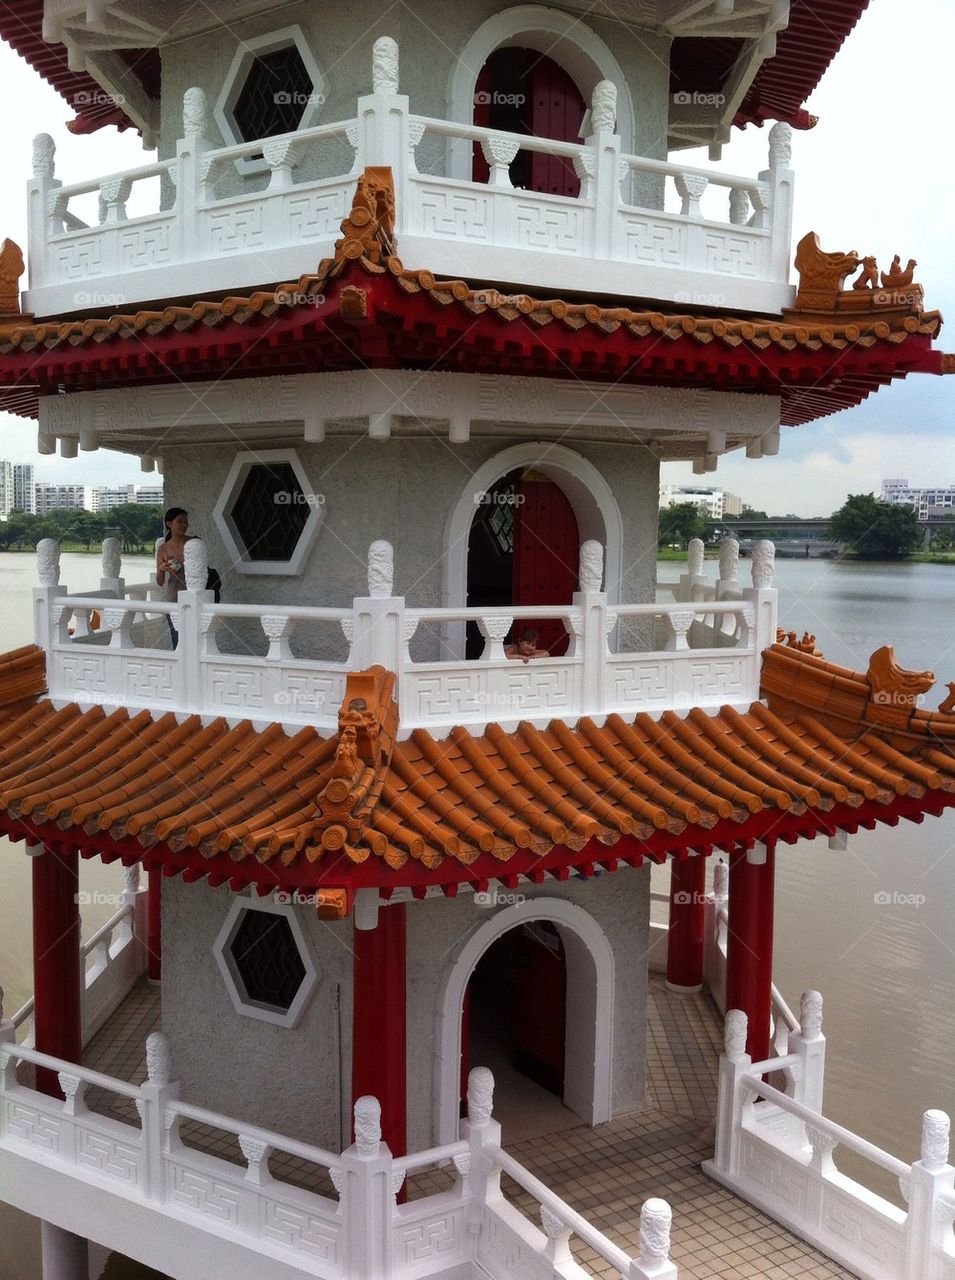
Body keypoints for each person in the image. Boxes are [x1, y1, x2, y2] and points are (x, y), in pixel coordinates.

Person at [157, 507, 192, 647]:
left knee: (194, 639)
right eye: (180, 521)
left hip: (194, 597)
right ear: (169, 524)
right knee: (177, 640)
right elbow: (160, 582)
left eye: (186, 521)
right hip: (174, 598)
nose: (184, 525)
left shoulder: (194, 543)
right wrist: (161, 570)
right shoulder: (163, 549)